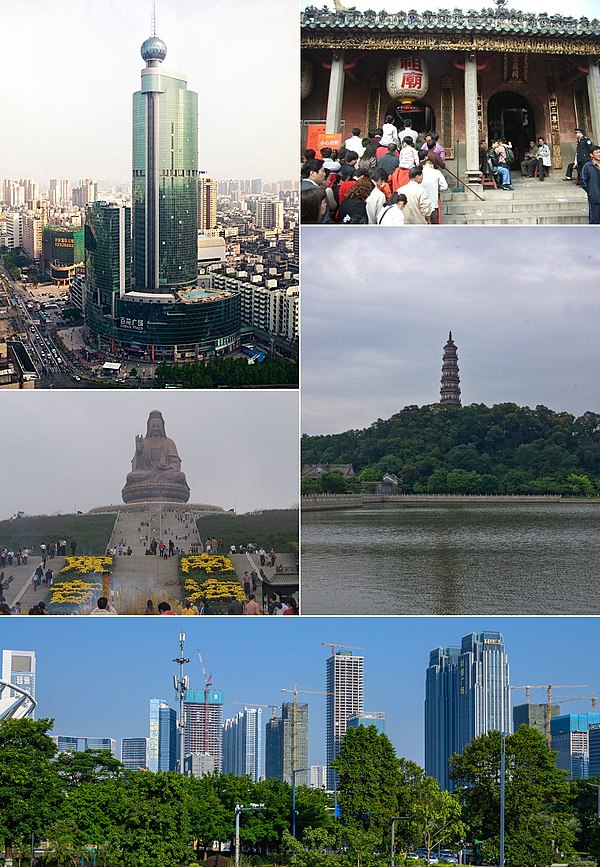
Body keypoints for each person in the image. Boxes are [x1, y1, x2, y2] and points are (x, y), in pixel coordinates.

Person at [421, 157, 448, 223]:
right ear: (432, 165)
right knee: (434, 225)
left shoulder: (420, 172)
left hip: (421, 204)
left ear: (423, 165)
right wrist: (437, 188)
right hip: (433, 203)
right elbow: (445, 186)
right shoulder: (437, 172)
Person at [580, 144, 600, 224]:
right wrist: (591, 190)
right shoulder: (587, 166)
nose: (599, 154)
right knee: (595, 220)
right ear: (591, 154)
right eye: (596, 152)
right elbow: (583, 181)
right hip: (594, 197)